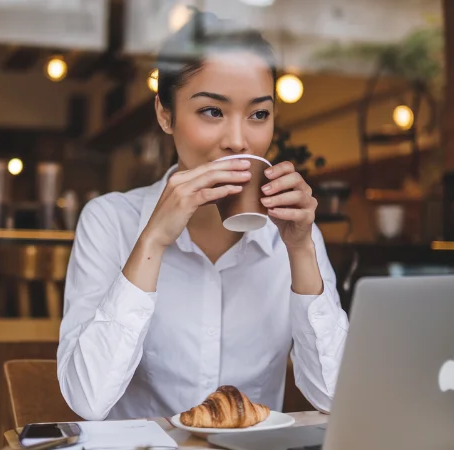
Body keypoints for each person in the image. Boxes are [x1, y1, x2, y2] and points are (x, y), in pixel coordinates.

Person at [56, 11, 348, 421]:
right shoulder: (110, 221)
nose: (237, 139)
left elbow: (335, 399)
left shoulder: (295, 234)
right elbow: (87, 398)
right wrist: (153, 240)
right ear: (165, 114)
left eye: (259, 114)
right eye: (212, 111)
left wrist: (300, 250)